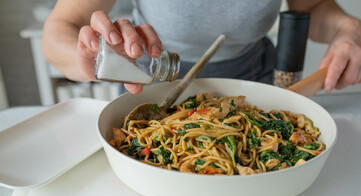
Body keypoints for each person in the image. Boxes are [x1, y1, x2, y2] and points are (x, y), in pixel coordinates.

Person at [42, 0, 361, 95]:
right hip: (154, 88)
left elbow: (315, 8)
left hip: (257, 81)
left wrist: (349, 29)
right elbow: (59, 29)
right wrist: (88, 58)